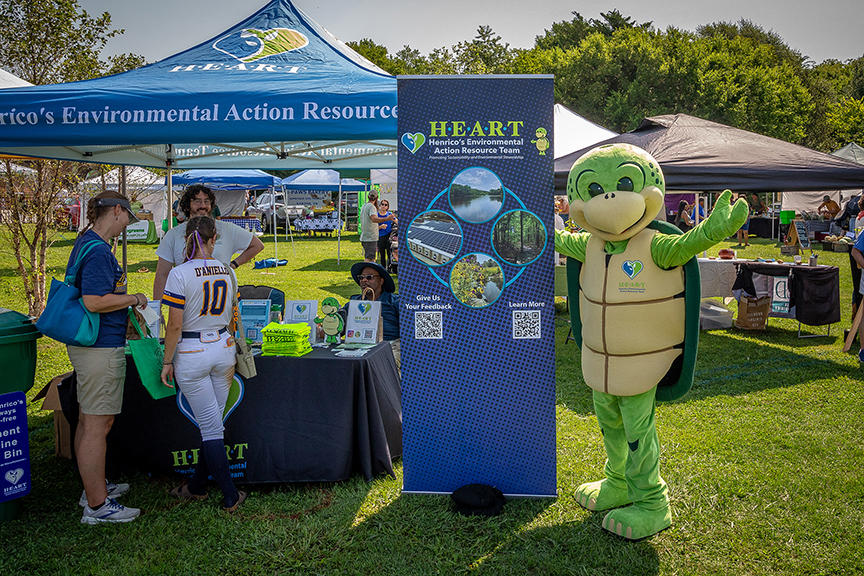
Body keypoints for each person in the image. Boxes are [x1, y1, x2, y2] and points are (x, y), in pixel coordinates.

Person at [67, 191, 147, 524]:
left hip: (89, 344)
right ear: (117, 210)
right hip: (100, 346)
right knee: (98, 426)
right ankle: (98, 507)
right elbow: (94, 301)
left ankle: (94, 488)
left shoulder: (85, 242)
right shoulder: (99, 251)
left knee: (89, 421)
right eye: (128, 217)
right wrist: (133, 298)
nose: (128, 224)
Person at [160, 215, 247, 512]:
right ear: (213, 240)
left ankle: (230, 495)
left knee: (210, 428)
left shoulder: (180, 273)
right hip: (223, 348)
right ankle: (197, 486)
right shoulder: (225, 270)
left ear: (186, 239)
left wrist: (167, 360)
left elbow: (173, 326)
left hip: (192, 350)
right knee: (213, 425)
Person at [153, 184, 263, 300]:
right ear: (187, 205)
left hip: (221, 304)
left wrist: (233, 265)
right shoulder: (174, 234)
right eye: (197, 201)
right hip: (187, 306)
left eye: (207, 201)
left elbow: (257, 245)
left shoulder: (226, 229)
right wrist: (158, 310)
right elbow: (162, 274)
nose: (203, 206)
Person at [359, 191, 395, 262]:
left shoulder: (364, 206)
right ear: (377, 198)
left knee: (371, 258)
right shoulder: (371, 207)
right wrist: (386, 218)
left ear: (368, 197)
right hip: (370, 237)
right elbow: (373, 218)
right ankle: (366, 273)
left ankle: (371, 273)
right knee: (369, 258)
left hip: (365, 236)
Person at [376, 199, 397, 271]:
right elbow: (373, 228)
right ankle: (383, 268)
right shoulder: (376, 215)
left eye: (385, 205)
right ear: (380, 205)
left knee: (389, 252)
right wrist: (381, 227)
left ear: (388, 207)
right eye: (382, 204)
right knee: (382, 253)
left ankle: (389, 267)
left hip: (388, 236)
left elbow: (396, 221)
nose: (384, 206)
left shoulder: (389, 214)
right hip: (380, 236)